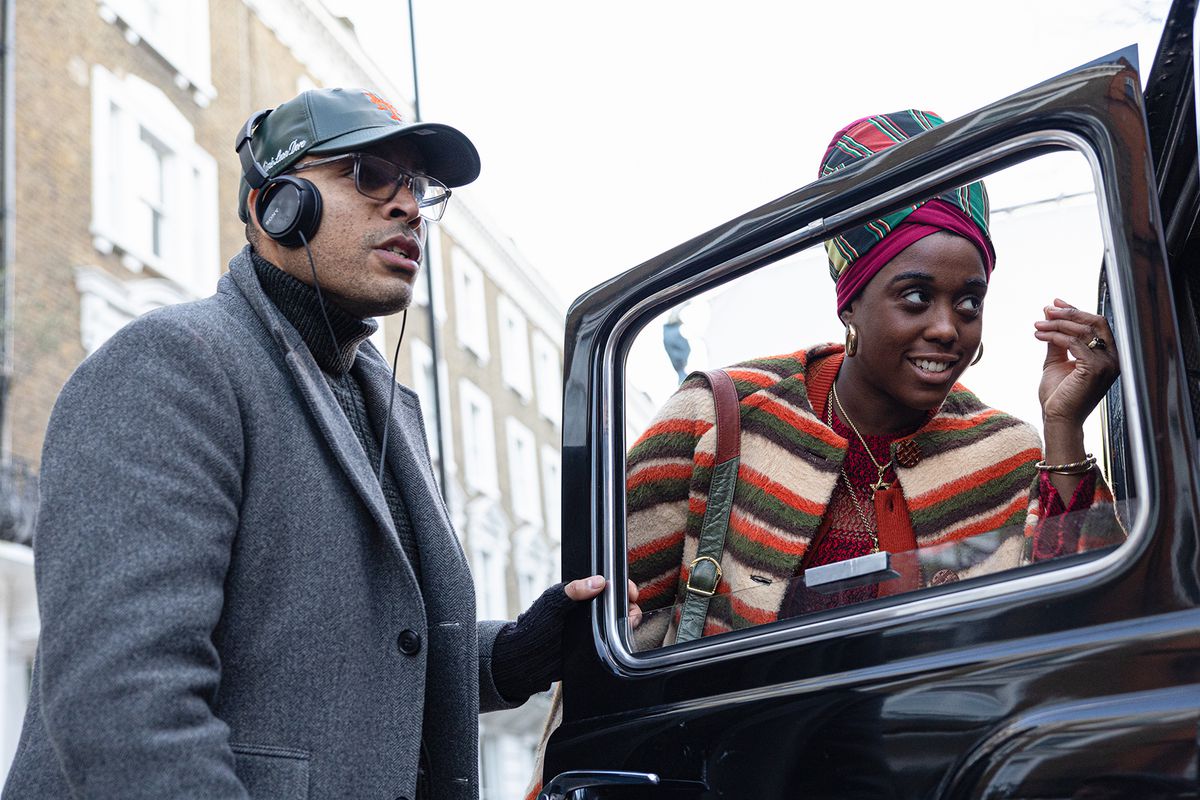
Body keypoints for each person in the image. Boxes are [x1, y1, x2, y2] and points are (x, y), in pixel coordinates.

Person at [3, 87, 628, 800]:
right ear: (278, 204)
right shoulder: (173, 364)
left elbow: (353, 660)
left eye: (420, 189)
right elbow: (125, 703)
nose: (407, 208)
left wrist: (512, 655)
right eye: (368, 174)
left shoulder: (393, 409)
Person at [627, 110, 1122, 649]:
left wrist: (1063, 425)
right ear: (851, 303)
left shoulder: (1007, 453)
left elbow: (1085, 630)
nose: (946, 328)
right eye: (916, 297)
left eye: (968, 303)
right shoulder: (722, 418)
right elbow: (615, 637)